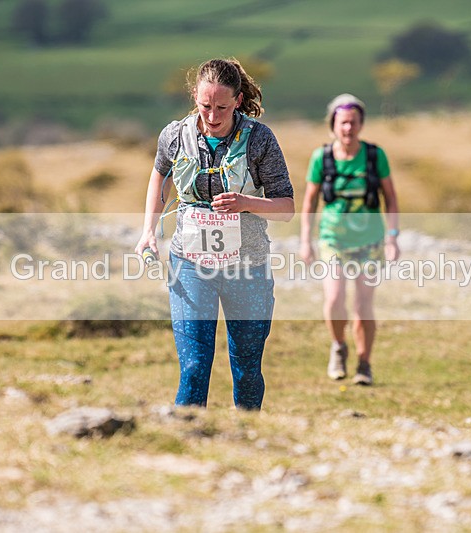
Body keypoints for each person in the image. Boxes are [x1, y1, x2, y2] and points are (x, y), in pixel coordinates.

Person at [135, 58, 294, 410]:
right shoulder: (175, 135)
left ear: (238, 100)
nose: (212, 115)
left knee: (248, 369)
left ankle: (247, 438)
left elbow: (286, 208)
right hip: (190, 265)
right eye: (205, 105)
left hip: (247, 268)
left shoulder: (260, 140)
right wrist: (149, 230)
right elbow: (158, 176)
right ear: (194, 96)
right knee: (193, 367)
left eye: (222, 106)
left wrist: (245, 202)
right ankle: (185, 442)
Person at [300, 93, 400, 386]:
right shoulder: (322, 158)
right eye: (343, 123)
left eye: (353, 122)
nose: (348, 128)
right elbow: (309, 203)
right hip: (333, 240)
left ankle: (364, 363)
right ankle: (338, 347)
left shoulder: (374, 156)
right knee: (333, 299)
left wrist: (393, 238)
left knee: (363, 305)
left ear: (361, 124)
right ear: (333, 124)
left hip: (370, 241)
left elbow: (391, 199)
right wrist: (305, 241)